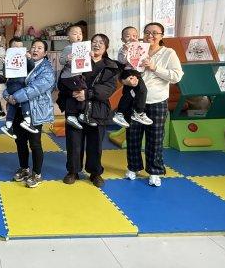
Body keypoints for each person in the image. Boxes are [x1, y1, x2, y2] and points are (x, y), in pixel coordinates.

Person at [125, 22, 184, 187]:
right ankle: (133, 167)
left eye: (155, 33)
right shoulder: (136, 49)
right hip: (135, 100)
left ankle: (155, 171)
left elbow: (176, 76)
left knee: (155, 138)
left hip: (157, 101)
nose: (150, 36)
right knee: (133, 136)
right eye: (147, 32)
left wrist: (154, 67)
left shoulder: (168, 53)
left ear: (162, 36)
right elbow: (124, 68)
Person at [61, 34, 119, 188]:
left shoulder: (110, 66)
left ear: (106, 47)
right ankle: (73, 171)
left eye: (101, 43)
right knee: (73, 143)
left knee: (95, 144)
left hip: (98, 109)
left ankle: (95, 173)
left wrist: (87, 94)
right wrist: (72, 91)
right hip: (75, 108)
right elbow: (63, 82)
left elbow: (109, 88)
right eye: (94, 42)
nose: (97, 45)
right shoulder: (77, 60)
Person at [5, 39, 55, 188]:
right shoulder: (23, 63)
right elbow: (11, 82)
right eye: (33, 47)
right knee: (20, 141)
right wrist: (7, 95)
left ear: (45, 53)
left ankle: (37, 174)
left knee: (35, 143)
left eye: (39, 48)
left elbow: (36, 88)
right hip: (17, 109)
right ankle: (24, 168)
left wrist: (15, 97)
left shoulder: (47, 70)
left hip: (35, 110)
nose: (35, 50)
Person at [112, 26, 153, 128]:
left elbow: (145, 59)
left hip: (137, 72)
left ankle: (120, 113)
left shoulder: (141, 48)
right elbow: (122, 61)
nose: (132, 38)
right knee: (142, 90)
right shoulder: (123, 49)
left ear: (138, 37)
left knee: (129, 94)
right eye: (128, 36)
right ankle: (139, 112)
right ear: (122, 40)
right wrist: (125, 50)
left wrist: (147, 60)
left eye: (134, 36)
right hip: (129, 72)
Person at [0, 37, 37, 139]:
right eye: (15, 47)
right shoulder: (7, 58)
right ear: (9, 49)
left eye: (21, 47)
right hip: (15, 84)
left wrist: (29, 58)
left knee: (13, 105)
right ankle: (27, 120)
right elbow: (5, 74)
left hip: (18, 85)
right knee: (23, 98)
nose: (18, 49)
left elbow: (31, 67)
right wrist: (5, 62)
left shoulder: (24, 58)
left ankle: (8, 125)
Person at [58, 25, 90, 129]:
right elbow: (61, 60)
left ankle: (80, 113)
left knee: (80, 92)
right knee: (81, 91)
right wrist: (67, 58)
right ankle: (74, 114)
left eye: (80, 33)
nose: (78, 36)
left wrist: (90, 55)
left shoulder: (83, 48)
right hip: (69, 76)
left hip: (77, 76)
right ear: (68, 37)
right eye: (75, 34)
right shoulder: (68, 48)